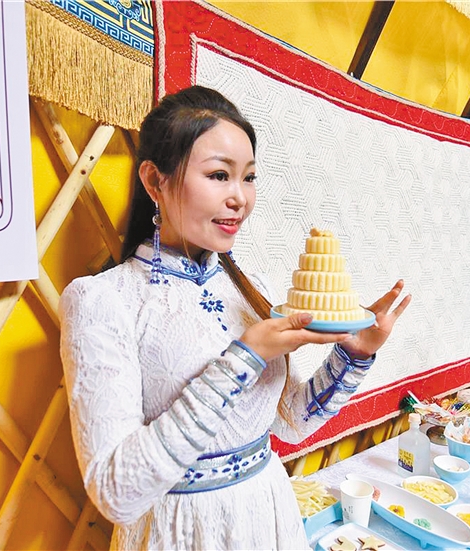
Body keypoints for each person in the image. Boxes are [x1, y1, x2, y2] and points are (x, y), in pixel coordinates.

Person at [59, 85, 411, 550]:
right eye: (219, 175)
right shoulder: (104, 300)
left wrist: (354, 356)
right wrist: (245, 356)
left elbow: (287, 422)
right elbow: (117, 493)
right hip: (183, 532)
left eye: (249, 177)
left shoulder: (250, 286)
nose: (240, 198)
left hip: (269, 516)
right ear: (154, 181)